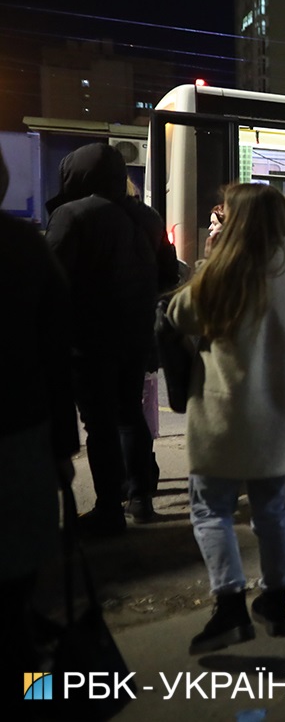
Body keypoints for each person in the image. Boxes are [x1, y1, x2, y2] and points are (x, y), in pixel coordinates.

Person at [166, 184, 285, 654]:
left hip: (225, 413)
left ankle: (230, 605)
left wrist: (207, 264)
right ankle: (274, 601)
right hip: (280, 414)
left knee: (210, 508)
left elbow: (178, 315)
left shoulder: (227, 271)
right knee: (271, 508)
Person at [45, 142, 177, 534]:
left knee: (100, 423)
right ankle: (140, 498)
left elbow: (50, 280)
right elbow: (169, 277)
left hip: (89, 339)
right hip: (136, 335)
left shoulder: (73, 214)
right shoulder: (149, 218)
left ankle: (108, 510)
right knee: (129, 414)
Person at [0, 150, 79, 679]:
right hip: (17, 426)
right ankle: (20, 664)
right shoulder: (22, 247)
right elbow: (56, 353)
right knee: (17, 554)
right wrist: (63, 446)